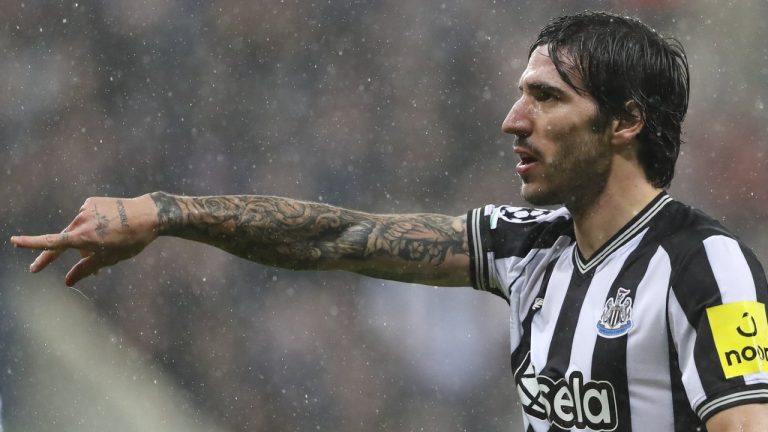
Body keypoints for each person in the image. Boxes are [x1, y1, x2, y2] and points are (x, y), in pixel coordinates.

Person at [10, 11, 768, 431]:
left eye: (546, 98)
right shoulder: (524, 246)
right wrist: (166, 212)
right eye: (519, 95)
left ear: (626, 121)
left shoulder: (709, 266)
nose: (513, 120)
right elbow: (336, 236)